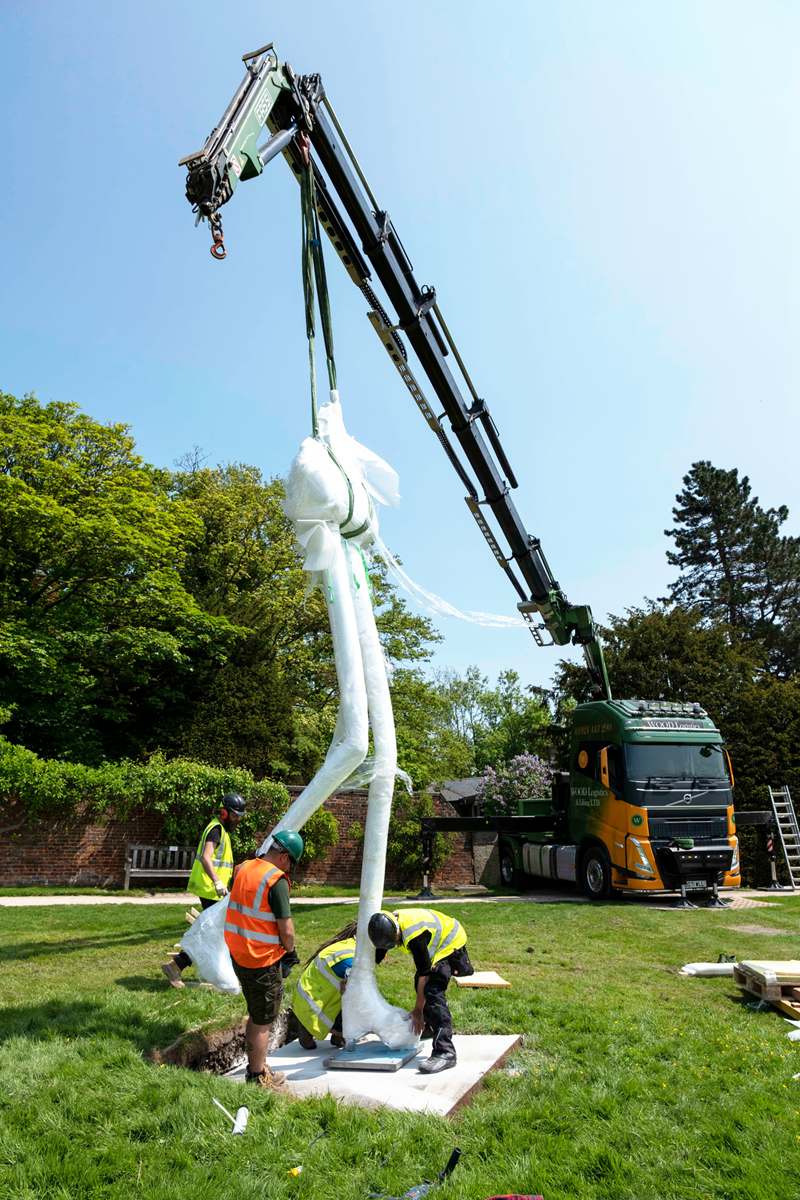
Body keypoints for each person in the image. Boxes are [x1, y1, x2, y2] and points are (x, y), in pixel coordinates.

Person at [224, 829, 304, 1087]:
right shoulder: (276, 880)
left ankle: (257, 1064)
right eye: (291, 862)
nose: (289, 868)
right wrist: (289, 951)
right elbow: (287, 930)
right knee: (263, 1020)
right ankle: (257, 1077)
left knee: (255, 1012)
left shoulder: (244, 868)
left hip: (239, 954)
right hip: (262, 960)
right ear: (284, 857)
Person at [367, 907, 474, 1075]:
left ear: (396, 930)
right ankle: (430, 1028)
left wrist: (418, 1010)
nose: (394, 945)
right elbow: (378, 955)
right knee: (421, 984)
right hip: (437, 940)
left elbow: (425, 974)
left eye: (395, 941)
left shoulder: (414, 936)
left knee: (432, 990)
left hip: (450, 942)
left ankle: (445, 1052)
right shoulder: (386, 927)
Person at [161, 792, 245, 988]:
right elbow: (207, 858)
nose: (237, 820)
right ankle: (177, 966)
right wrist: (217, 881)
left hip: (215, 890)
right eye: (234, 816)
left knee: (214, 932)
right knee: (213, 932)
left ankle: (180, 966)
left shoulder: (222, 831)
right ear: (224, 813)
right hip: (210, 889)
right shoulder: (216, 829)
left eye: (240, 816)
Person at [290, 921, 358, 1050]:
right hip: (311, 1004)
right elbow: (354, 995)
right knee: (357, 1000)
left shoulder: (347, 946)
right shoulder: (349, 958)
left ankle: (336, 1034)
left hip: (305, 997)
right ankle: (319, 1029)